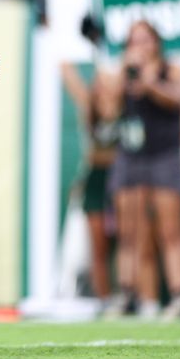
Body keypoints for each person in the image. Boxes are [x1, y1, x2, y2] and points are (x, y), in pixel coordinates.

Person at [109, 20, 180, 319]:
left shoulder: (172, 69)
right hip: (131, 155)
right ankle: (129, 294)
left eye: (145, 40)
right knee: (129, 229)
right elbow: (107, 110)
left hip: (164, 155)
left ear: (156, 42)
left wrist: (149, 81)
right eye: (134, 41)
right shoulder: (123, 73)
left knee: (171, 230)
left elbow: (179, 98)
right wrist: (122, 77)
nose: (140, 47)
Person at [61, 62, 121, 309]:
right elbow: (68, 74)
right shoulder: (89, 108)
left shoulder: (125, 108)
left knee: (125, 242)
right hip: (96, 178)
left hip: (120, 179)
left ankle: (128, 296)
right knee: (98, 245)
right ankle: (105, 298)